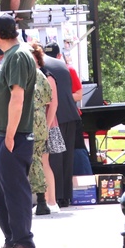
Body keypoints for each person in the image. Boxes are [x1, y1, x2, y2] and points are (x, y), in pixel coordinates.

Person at [0, 12, 40, 248]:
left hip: (11, 136)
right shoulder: (13, 56)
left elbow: (18, 98)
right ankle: (12, 239)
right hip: (1, 135)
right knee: (4, 191)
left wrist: (9, 135)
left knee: (14, 191)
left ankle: (24, 244)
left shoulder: (18, 56)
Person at [43, 41, 83, 209]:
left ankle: (56, 195)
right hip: (70, 114)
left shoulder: (43, 69)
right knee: (67, 158)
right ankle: (65, 196)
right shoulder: (66, 67)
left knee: (53, 158)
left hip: (55, 116)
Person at [27, 40, 56, 217]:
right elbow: (48, 99)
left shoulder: (22, 75)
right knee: (37, 161)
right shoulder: (41, 76)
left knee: (32, 162)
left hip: (27, 122)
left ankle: (41, 200)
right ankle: (42, 200)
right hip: (39, 121)